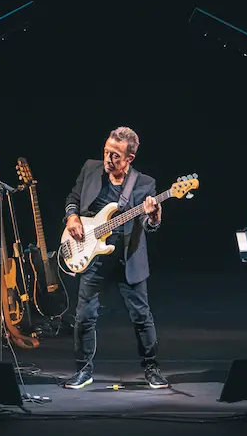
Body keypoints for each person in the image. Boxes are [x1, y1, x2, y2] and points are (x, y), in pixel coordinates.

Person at [61, 126, 169, 390]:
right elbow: (73, 198)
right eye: (106, 152)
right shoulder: (90, 169)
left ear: (130, 158)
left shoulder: (144, 184)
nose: (108, 159)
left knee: (141, 315)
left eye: (116, 155)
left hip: (127, 257)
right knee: (84, 316)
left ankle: (152, 367)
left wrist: (154, 216)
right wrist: (72, 217)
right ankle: (83, 371)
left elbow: (148, 223)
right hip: (92, 254)